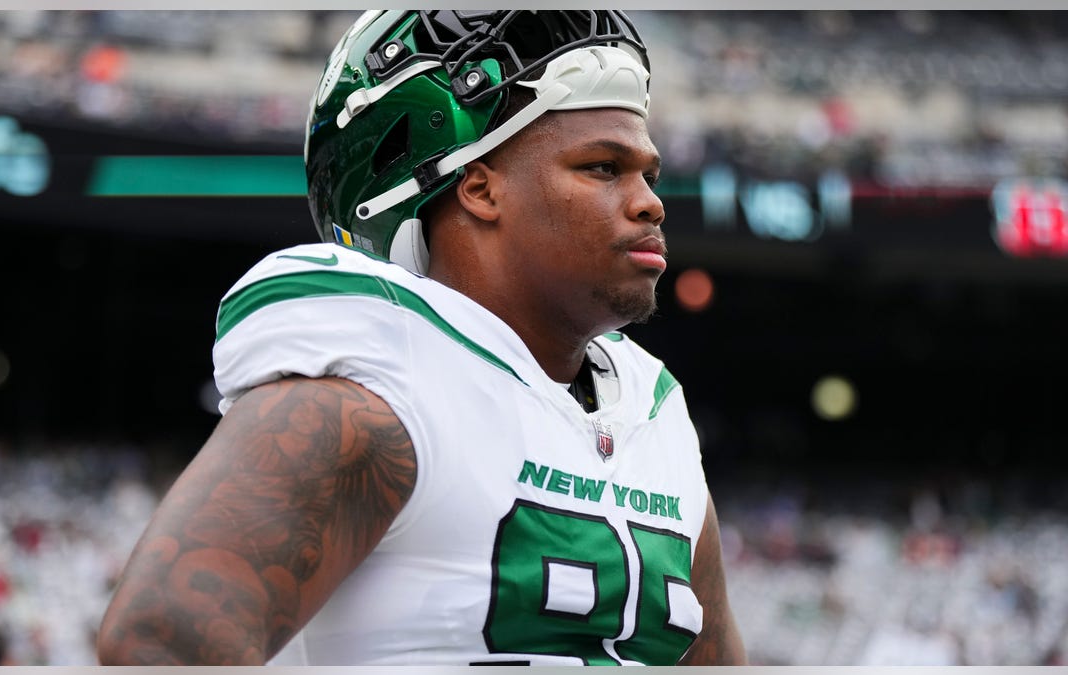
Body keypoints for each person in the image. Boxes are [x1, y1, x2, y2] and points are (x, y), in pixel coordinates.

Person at [96, 10, 746, 666]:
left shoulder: (653, 413)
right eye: (604, 168)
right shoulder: (381, 378)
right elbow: (162, 639)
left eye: (648, 176)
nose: (649, 203)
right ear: (480, 188)